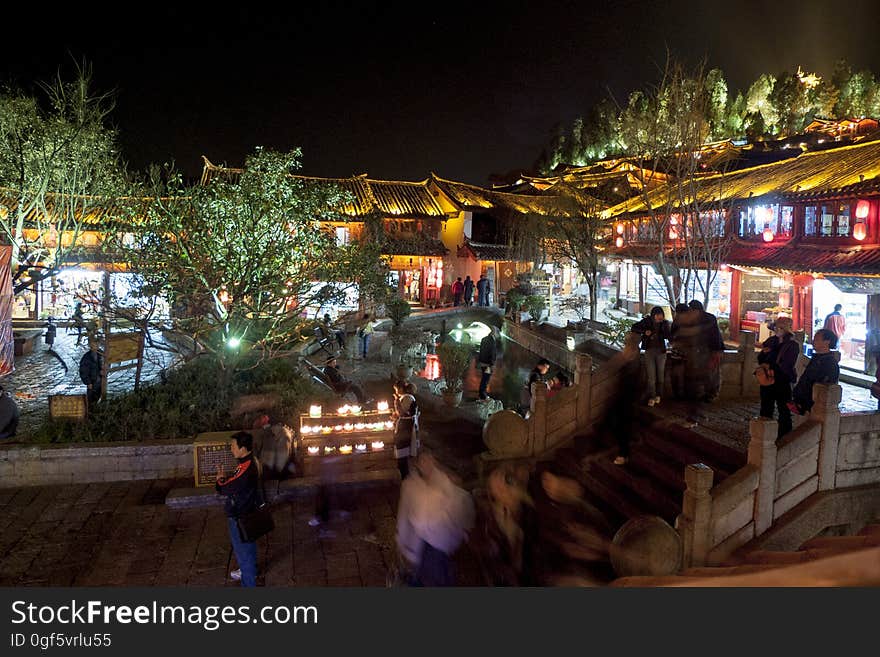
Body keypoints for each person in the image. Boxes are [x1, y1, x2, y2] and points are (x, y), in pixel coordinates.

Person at [396, 451, 474, 586]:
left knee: (436, 571)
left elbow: (458, 501)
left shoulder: (442, 482)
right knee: (430, 572)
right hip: (421, 542)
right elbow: (405, 513)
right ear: (417, 464)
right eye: (423, 461)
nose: (427, 464)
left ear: (435, 462)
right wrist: (401, 539)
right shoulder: (411, 486)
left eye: (430, 460)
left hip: (438, 544)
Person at [215, 431, 262, 587]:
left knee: (244, 555)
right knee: (249, 546)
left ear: (243, 449)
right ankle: (252, 571)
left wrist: (220, 479)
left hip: (240, 515)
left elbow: (225, 488)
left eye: (233, 446)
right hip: (250, 511)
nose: (231, 449)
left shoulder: (246, 468)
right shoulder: (251, 461)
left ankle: (248, 584)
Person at [757, 316, 800, 440]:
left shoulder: (792, 345)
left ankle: (784, 435)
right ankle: (764, 433)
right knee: (766, 406)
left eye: (781, 327)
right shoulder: (771, 341)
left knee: (784, 408)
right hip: (767, 378)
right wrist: (764, 354)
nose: (777, 329)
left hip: (782, 380)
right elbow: (760, 359)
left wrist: (771, 365)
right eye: (776, 326)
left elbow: (788, 364)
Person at [791, 328, 840, 415]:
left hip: (813, 406)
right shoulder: (817, 358)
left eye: (817, 339)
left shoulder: (829, 362)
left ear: (827, 342)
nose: (813, 342)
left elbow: (823, 384)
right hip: (803, 404)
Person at [632, 306, 672, 406]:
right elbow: (634, 327)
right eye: (658, 315)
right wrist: (645, 332)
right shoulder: (646, 321)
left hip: (661, 352)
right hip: (649, 351)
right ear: (653, 315)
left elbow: (668, 336)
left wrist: (663, 332)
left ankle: (659, 395)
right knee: (651, 376)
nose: (660, 317)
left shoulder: (664, 323)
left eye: (661, 315)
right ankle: (652, 396)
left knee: (660, 374)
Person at [689, 299, 725, 401]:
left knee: (712, 372)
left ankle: (711, 393)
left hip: (712, 349)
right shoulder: (703, 318)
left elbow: (713, 335)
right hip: (704, 349)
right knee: (705, 372)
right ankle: (706, 393)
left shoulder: (708, 319)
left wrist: (716, 351)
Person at [392, 380, 419, 480]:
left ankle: (405, 475)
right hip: (405, 426)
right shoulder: (405, 398)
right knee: (402, 451)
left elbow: (402, 413)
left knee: (402, 451)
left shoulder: (407, 398)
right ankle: (403, 471)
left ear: (401, 389)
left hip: (406, 428)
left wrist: (396, 402)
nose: (396, 392)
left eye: (396, 390)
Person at [668, 303, 690, 399]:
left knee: (677, 374)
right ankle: (681, 394)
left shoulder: (676, 322)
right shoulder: (686, 323)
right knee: (682, 375)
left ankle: (677, 394)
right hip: (683, 353)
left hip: (676, 352)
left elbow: (671, 338)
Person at [78, 339, 103, 405]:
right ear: (90, 346)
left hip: (101, 380)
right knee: (91, 399)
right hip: (92, 382)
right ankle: (90, 410)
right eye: (94, 345)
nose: (96, 347)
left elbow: (107, 364)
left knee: (99, 396)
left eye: (97, 345)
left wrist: (104, 371)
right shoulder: (86, 357)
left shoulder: (101, 354)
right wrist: (88, 382)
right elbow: (83, 371)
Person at [477, 330, 497, 401]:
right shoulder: (492, 341)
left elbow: (481, 350)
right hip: (488, 364)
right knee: (486, 378)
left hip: (483, 362)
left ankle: (481, 393)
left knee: (484, 377)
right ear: (494, 333)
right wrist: (492, 364)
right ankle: (482, 394)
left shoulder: (484, 339)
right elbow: (492, 353)